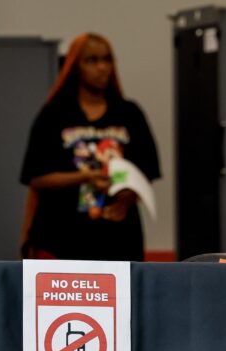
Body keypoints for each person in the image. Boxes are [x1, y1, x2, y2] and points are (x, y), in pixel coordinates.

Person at [20, 33, 161, 261]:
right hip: (62, 237)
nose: (102, 68)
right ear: (75, 67)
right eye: (92, 61)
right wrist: (85, 177)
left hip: (118, 238)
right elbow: (36, 177)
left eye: (107, 60)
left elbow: (147, 171)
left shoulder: (129, 113)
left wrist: (126, 198)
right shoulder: (54, 114)